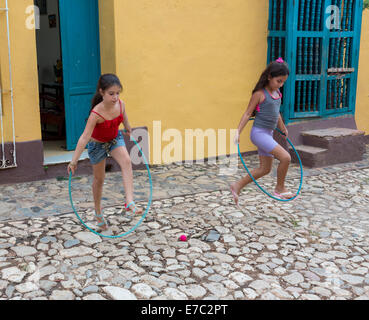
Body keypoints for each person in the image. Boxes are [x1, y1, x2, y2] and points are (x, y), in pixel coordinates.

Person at [67, 74, 143, 231]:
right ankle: (98, 212)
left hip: (115, 139)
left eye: (117, 93)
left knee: (127, 161)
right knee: (99, 180)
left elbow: (124, 119)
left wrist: (129, 129)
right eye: (111, 94)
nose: (115, 97)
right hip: (97, 146)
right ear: (102, 92)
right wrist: (73, 161)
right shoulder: (96, 114)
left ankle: (129, 201)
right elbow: (84, 138)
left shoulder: (121, 104)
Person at [230, 58, 295, 205]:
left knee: (265, 169)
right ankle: (280, 188)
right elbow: (247, 113)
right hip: (259, 134)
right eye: (278, 81)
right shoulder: (260, 94)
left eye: (283, 82)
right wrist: (238, 132)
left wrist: (283, 127)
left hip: (269, 134)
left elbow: (276, 112)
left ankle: (237, 186)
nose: (281, 84)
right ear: (269, 76)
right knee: (286, 158)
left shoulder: (277, 93)